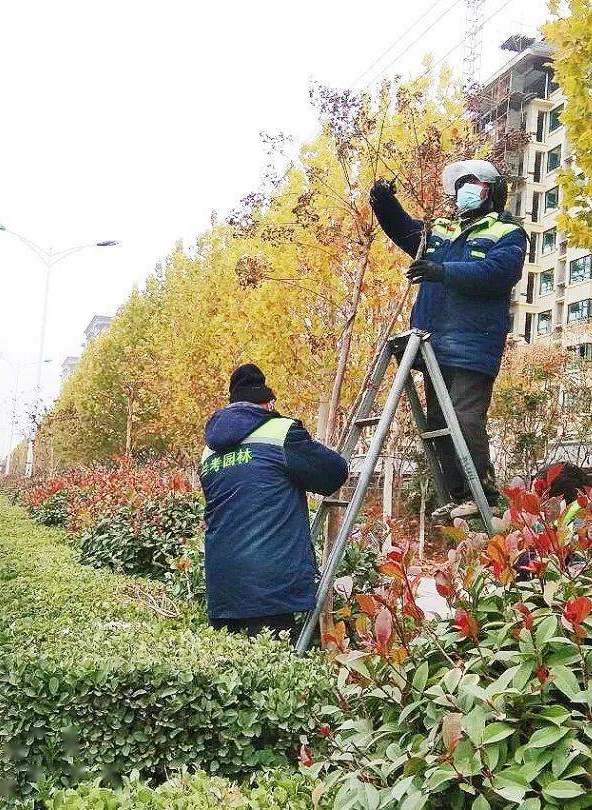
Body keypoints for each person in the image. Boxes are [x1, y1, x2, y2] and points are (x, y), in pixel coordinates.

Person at [370, 159, 526, 519]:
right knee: (441, 425)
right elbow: (404, 231)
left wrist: (442, 271)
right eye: (460, 184)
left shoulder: (506, 232)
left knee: (465, 418)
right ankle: (459, 494)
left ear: (492, 192)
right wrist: (384, 202)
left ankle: (479, 491)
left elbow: (498, 272)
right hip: (432, 343)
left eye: (473, 183)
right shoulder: (441, 230)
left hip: (473, 343)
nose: (464, 190)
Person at [198, 363, 348, 639]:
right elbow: (332, 474)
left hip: (223, 585)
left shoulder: (209, 450)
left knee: (229, 675)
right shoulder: (281, 433)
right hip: (271, 586)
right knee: (274, 671)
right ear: (266, 403)